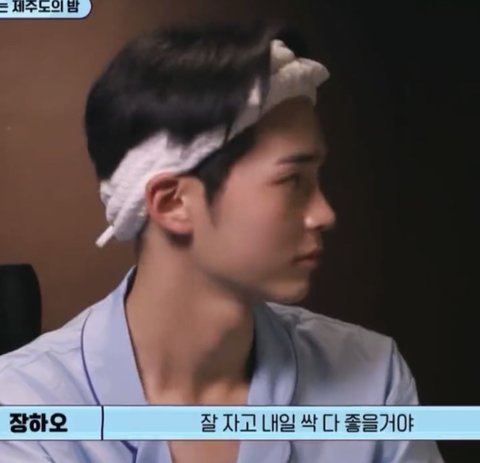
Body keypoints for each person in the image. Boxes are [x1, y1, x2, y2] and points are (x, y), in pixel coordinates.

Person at [0, 21, 444, 463]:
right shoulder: (27, 407)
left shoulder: (370, 380)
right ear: (173, 202)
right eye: (292, 180)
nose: (324, 214)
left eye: (317, 178)